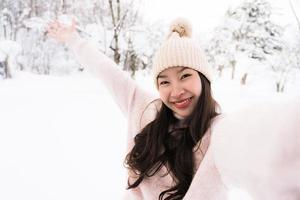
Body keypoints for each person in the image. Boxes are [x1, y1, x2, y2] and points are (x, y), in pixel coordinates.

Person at [47, 17, 300, 200]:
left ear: (204, 78)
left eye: (185, 75)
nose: (175, 90)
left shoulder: (219, 131)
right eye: (164, 81)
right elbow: (106, 70)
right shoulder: (144, 107)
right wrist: (73, 39)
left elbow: (263, 141)